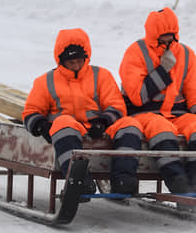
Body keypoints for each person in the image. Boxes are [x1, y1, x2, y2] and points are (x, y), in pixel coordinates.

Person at [23, 28, 143, 195]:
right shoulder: (45, 81)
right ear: (60, 60)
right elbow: (30, 112)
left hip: (98, 129)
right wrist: (41, 125)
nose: (76, 65)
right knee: (62, 123)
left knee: (131, 124)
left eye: (80, 60)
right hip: (68, 130)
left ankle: (123, 178)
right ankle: (79, 180)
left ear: (86, 57)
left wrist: (103, 121)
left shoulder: (102, 75)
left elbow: (116, 106)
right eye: (71, 62)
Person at [120, 7, 196, 193]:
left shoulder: (186, 54)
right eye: (162, 41)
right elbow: (137, 97)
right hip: (144, 115)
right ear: (153, 38)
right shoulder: (135, 53)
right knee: (161, 127)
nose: (168, 44)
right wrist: (162, 71)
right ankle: (176, 179)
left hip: (177, 115)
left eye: (172, 39)